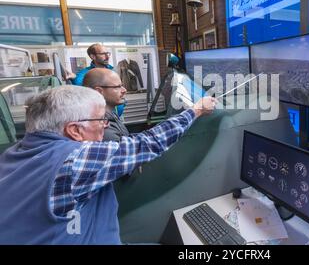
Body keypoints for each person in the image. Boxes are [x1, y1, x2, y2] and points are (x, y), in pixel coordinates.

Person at [0, 85, 217, 244]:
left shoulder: (15, 153)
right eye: (100, 120)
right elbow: (148, 143)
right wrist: (196, 110)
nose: (105, 126)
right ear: (74, 130)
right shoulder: (74, 160)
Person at [83, 68, 129, 141]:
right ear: (98, 92)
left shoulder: (109, 114)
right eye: (117, 87)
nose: (124, 90)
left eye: (122, 86)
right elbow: (121, 150)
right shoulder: (103, 128)